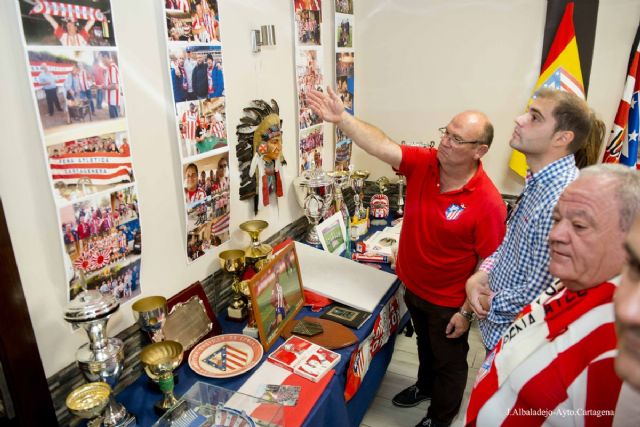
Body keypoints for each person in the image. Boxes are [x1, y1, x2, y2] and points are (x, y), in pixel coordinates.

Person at [307, 87, 506, 427]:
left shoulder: (487, 201)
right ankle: (425, 387)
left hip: (449, 302)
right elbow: (382, 145)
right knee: (426, 350)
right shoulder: (426, 163)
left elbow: (488, 263)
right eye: (446, 132)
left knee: (450, 364)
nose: (445, 142)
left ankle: (440, 418)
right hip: (412, 285)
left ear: (480, 151)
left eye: (457, 139)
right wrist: (343, 119)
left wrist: (465, 313)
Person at [465, 164, 640, 426]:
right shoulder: (573, 279)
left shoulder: (624, 345)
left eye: (579, 225)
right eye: (557, 220)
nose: (555, 235)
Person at [466, 88, 606, 352]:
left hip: (520, 345)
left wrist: (488, 303)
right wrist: (482, 274)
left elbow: (544, 292)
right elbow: (510, 244)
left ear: (562, 138)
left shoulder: (562, 200)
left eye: (535, 117)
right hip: (501, 334)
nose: (519, 120)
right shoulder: (539, 182)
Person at [102, 53, 120, 119]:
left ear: (105, 57)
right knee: (114, 119)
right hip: (111, 99)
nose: (102, 62)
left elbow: (115, 86)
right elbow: (109, 83)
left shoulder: (112, 68)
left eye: (102, 59)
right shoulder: (109, 68)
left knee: (114, 119)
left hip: (113, 99)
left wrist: (104, 87)